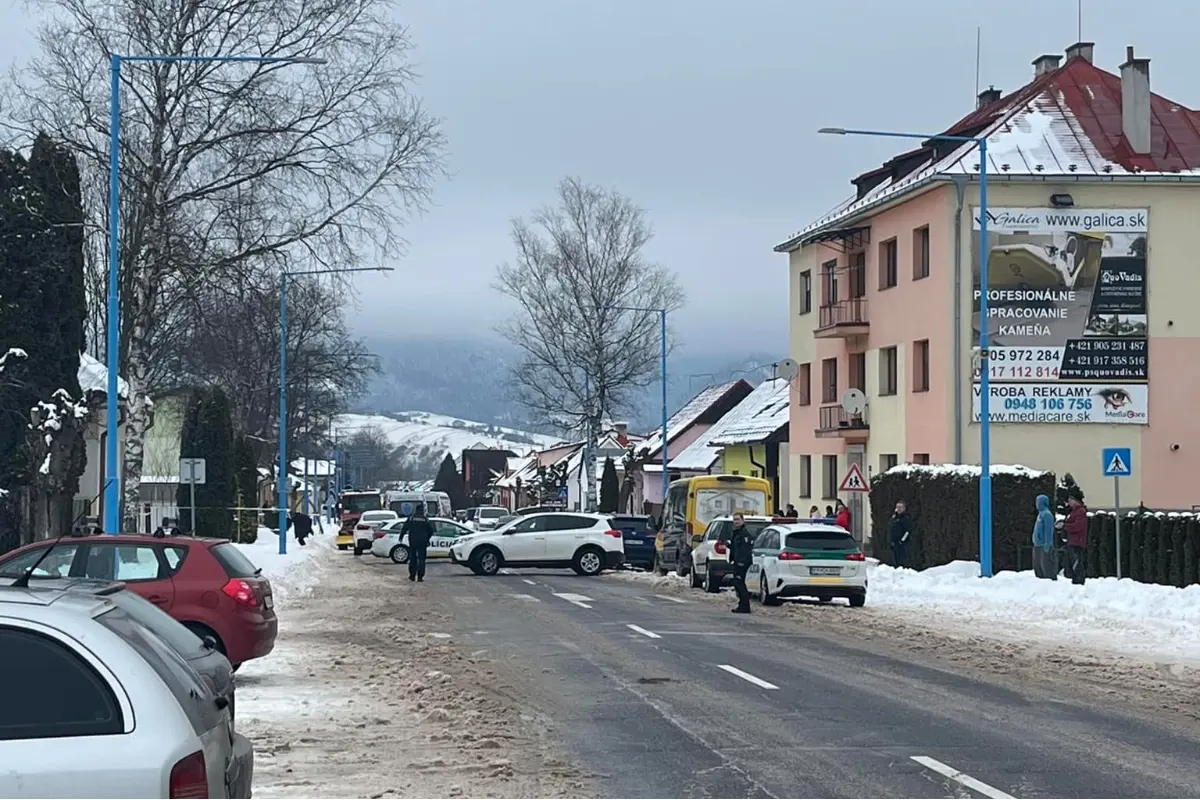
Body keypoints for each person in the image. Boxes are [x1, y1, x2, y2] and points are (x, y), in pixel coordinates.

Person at [728, 512, 755, 614]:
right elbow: (736, 548)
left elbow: (745, 550)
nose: (736, 522)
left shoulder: (744, 534)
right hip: (736, 561)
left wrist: (741, 562)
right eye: (734, 520)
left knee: (740, 584)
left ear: (742, 520)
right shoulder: (736, 533)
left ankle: (745, 606)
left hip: (742, 562)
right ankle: (742, 605)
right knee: (737, 583)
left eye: (738, 519)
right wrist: (728, 546)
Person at [401, 506, 434, 582]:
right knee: (422, 559)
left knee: (413, 558)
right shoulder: (425, 519)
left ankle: (412, 576)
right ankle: (420, 577)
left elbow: (405, 528)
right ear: (422, 511)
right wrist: (427, 538)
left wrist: (401, 536)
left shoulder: (411, 518)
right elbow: (431, 531)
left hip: (413, 541)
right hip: (423, 542)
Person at [1064, 494, 1088, 585]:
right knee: (1073, 563)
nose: (1069, 502)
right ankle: (1075, 580)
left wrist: (1065, 526)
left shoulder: (1080, 512)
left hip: (1077, 542)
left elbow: (1078, 526)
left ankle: (1079, 581)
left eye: (1071, 500)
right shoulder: (1073, 512)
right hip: (1072, 541)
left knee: (1077, 563)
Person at [1031, 494, 1057, 580]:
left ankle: (1050, 584)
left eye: (1038, 502)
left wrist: (1047, 544)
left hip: (1044, 545)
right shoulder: (1040, 514)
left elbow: (1048, 531)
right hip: (1037, 545)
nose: (1036, 504)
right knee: (1038, 567)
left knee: (1046, 567)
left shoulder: (1047, 515)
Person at [888, 501, 913, 567]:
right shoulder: (894, 518)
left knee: (901, 561)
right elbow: (890, 527)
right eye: (897, 507)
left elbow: (908, 531)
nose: (899, 509)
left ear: (904, 508)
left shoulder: (905, 518)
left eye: (900, 507)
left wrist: (901, 541)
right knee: (895, 561)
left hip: (902, 544)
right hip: (894, 543)